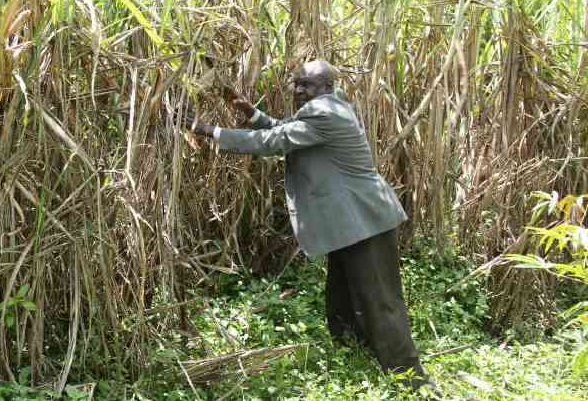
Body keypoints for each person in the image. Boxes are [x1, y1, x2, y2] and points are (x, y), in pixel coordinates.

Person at [180, 59, 438, 394]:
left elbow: (275, 141)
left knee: (381, 301)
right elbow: (285, 132)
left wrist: (208, 130)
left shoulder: (325, 112)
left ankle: (413, 380)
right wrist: (253, 114)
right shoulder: (326, 110)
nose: (299, 90)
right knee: (341, 297)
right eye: (297, 83)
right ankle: (354, 354)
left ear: (327, 87)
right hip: (351, 223)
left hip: (366, 222)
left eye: (308, 84)